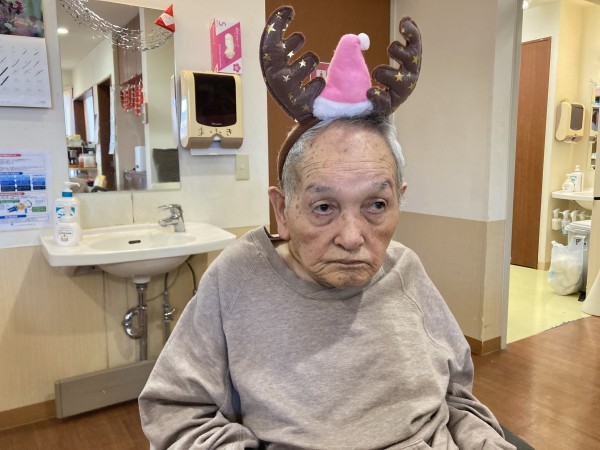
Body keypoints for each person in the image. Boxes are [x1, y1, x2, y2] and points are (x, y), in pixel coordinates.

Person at [139, 7, 516, 449]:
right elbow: (177, 410)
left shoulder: (406, 269)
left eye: (376, 205)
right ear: (282, 210)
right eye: (323, 207)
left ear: (399, 200)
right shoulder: (237, 278)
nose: (352, 238)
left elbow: (457, 398)